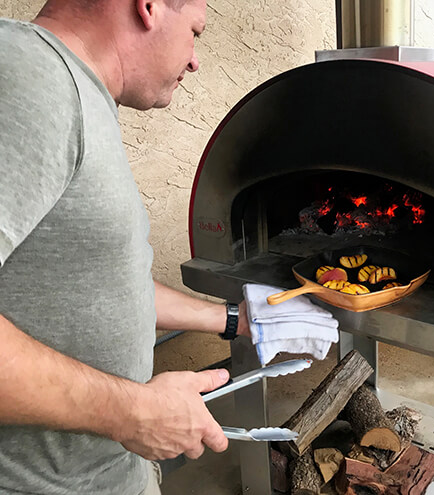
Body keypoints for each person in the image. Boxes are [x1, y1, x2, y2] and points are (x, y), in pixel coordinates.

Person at [0, 0, 249, 493]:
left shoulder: (74, 91)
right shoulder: (28, 79)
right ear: (150, 6)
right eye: (195, 31)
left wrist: (234, 319)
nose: (196, 58)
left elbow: (91, 283)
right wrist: (133, 414)